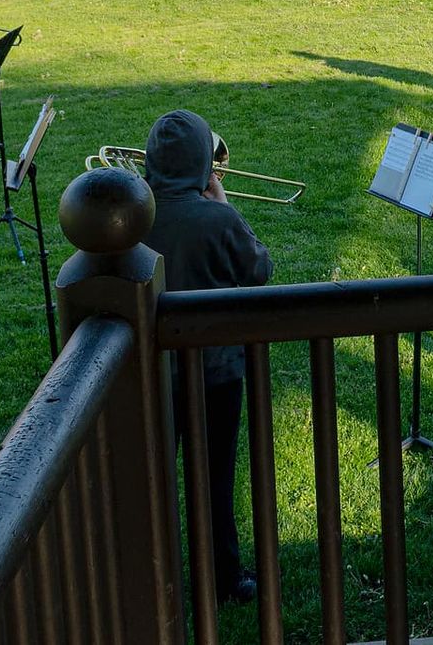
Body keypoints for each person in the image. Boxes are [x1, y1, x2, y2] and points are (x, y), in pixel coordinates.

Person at [142, 109, 273, 606]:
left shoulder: (134, 213)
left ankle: (151, 574)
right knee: (215, 476)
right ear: (203, 165)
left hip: (150, 372)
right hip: (214, 373)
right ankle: (222, 577)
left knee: (152, 471)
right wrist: (223, 203)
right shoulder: (218, 218)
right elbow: (258, 268)